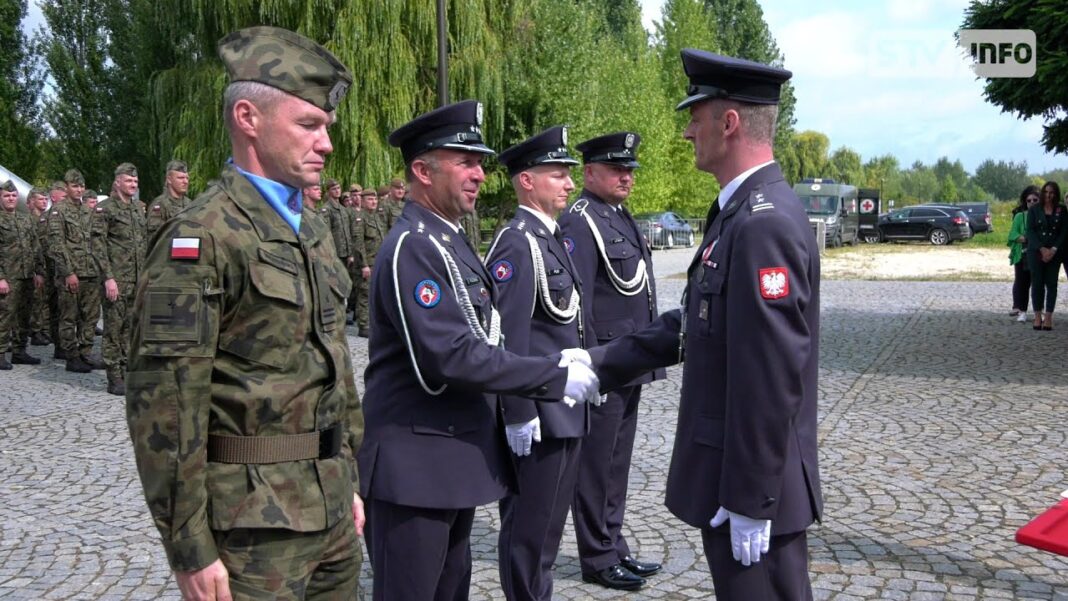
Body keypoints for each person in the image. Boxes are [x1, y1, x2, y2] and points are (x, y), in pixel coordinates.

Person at [125, 26, 366, 600]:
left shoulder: (313, 226)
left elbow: (335, 363)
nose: (326, 143)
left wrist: (349, 476)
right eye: (308, 124)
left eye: (326, 127)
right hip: (254, 529)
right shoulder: (201, 236)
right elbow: (167, 403)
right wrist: (189, 547)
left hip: (331, 512)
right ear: (247, 118)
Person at [573, 49, 823, 600]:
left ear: (728, 122)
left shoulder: (762, 224)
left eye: (695, 117)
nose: (688, 132)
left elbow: (772, 373)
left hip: (753, 491)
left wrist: (752, 499)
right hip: (737, 481)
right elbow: (696, 324)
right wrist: (599, 361)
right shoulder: (737, 213)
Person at [358, 100, 602, 601]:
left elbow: (488, 333)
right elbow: (447, 358)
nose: (478, 174)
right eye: (464, 162)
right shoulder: (413, 246)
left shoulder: (450, 240)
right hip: (416, 468)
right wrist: (550, 374)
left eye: (479, 163)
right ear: (422, 171)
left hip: (450, 462)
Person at [485, 126, 593, 601]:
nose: (569, 183)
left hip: (563, 410)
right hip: (539, 414)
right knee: (529, 532)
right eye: (557, 175)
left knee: (548, 531)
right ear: (526, 181)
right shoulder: (516, 242)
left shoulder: (549, 238)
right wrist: (518, 411)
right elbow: (507, 335)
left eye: (569, 175)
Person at [556, 131, 664, 591]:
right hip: (605, 362)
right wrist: (588, 368)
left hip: (629, 359)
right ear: (590, 173)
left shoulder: (618, 215)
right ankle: (597, 556)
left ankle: (613, 543)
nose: (626, 177)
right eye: (617, 169)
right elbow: (575, 299)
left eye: (630, 170)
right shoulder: (582, 220)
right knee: (597, 464)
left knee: (617, 462)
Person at [91, 163, 147, 395]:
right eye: (128, 181)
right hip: (116, 279)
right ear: (117, 182)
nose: (132, 185)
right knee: (113, 329)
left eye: (135, 182)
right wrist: (108, 278)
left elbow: (143, 244)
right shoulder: (105, 209)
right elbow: (97, 245)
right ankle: (113, 376)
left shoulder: (137, 209)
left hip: (136, 279)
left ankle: (126, 371)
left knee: (130, 328)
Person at [48, 169, 105, 372]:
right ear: (67, 187)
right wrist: (68, 272)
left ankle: (85, 352)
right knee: (69, 316)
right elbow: (56, 244)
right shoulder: (59, 211)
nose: (79, 189)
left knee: (90, 316)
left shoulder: (88, 211)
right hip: (71, 275)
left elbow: (97, 241)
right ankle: (71, 356)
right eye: (75, 186)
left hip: (91, 273)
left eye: (81, 186)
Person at [0, 180, 45, 369]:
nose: (10, 199)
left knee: (24, 315)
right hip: (8, 276)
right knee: (5, 315)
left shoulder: (25, 219)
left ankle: (19, 351)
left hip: (27, 275)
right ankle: (1, 352)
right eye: (6, 196)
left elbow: (36, 247)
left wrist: (39, 271)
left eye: (13, 196)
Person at [1026, 180, 1065, 331]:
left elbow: (1063, 231)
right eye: (1046, 192)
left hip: (1054, 252)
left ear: (1056, 194)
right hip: (1036, 251)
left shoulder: (1061, 210)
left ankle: (1048, 316)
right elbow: (1030, 231)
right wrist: (1042, 249)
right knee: (1037, 284)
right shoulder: (1034, 210)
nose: (1048, 195)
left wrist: (1053, 249)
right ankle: (1037, 315)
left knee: (1052, 284)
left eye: (1052, 192)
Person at [353, 187, 384, 337]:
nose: (374, 202)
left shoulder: (377, 217)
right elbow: (358, 243)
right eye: (370, 199)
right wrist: (364, 264)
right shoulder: (361, 218)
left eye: (375, 199)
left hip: (377, 262)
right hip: (367, 264)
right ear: (363, 201)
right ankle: (363, 325)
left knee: (375, 293)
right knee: (365, 294)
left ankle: (373, 322)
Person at [26, 187, 53, 346]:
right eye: (40, 199)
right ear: (32, 201)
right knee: (36, 300)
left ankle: (43, 329)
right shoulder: (29, 220)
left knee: (44, 300)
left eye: (45, 199)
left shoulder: (47, 219)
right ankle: (35, 331)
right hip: (36, 266)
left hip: (47, 264)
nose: (44, 201)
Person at [1008, 186, 1038, 322]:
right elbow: (1012, 234)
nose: (1031, 202)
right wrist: (1026, 238)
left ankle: (1039, 311)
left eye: (1035, 200)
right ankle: (1021, 310)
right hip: (1022, 255)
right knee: (1022, 283)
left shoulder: (1044, 216)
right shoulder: (1020, 216)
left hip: (1039, 255)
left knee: (1038, 284)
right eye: (1029, 200)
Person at [146, 160, 192, 241]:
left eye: (187, 178)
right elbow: (154, 238)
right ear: (169, 180)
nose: (185, 181)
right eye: (180, 178)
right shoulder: (160, 205)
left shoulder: (190, 203)